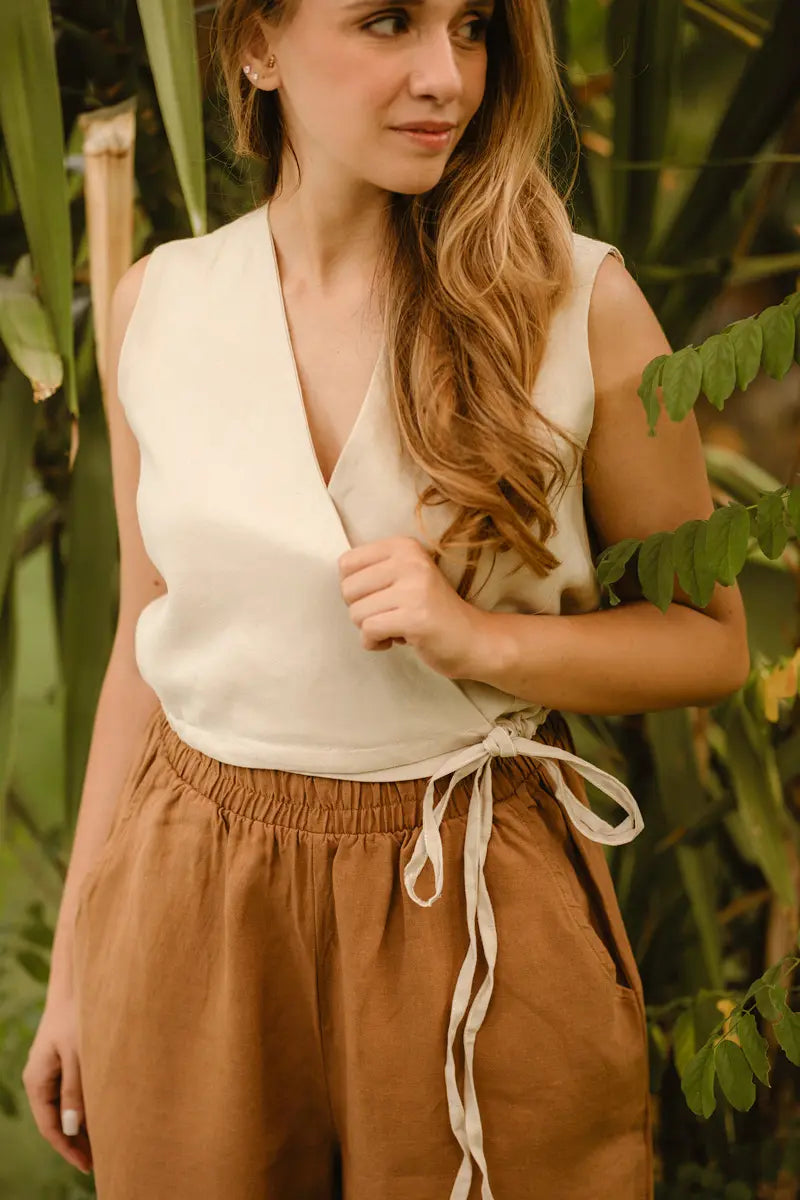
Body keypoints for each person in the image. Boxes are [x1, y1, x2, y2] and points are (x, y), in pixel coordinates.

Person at [23, 0, 750, 1195]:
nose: (445, 76)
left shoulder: (579, 303)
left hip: (467, 890)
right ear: (255, 47)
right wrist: (76, 973)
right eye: (386, 22)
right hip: (192, 897)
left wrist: (484, 641)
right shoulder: (161, 305)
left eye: (470, 29)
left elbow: (708, 645)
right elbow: (138, 653)